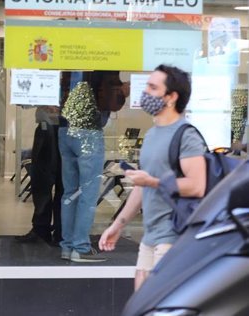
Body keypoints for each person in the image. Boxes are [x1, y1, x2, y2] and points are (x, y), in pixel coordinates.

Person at [98, 65, 206, 290]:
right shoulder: (152, 135)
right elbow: (140, 187)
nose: (145, 92)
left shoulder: (187, 136)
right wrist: (117, 225)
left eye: (152, 87)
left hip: (173, 237)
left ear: (171, 97)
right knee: (142, 303)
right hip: (150, 236)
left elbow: (197, 185)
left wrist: (153, 182)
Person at [59, 71, 128, 262]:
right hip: (89, 132)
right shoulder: (103, 64)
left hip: (64, 129)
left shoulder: (69, 65)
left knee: (70, 192)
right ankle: (80, 247)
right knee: (88, 194)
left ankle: (67, 246)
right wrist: (123, 91)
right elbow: (112, 101)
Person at [15, 105, 63, 246]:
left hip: (59, 128)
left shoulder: (70, 85)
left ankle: (56, 232)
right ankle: (45, 231)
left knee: (57, 188)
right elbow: (24, 104)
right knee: (43, 186)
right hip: (49, 127)